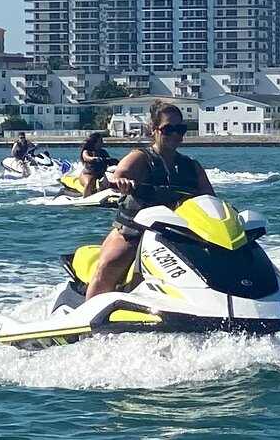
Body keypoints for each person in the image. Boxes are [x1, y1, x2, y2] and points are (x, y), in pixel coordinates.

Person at [85, 101, 215, 300]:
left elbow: (210, 199)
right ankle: (89, 319)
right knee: (110, 265)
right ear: (154, 130)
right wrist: (122, 182)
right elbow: (118, 175)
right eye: (168, 129)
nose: (175, 135)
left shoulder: (191, 166)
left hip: (178, 234)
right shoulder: (140, 158)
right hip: (134, 230)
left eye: (180, 129)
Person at [79, 132, 115, 198]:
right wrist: (94, 158)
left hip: (100, 175)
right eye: (100, 141)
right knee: (89, 181)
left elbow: (108, 160)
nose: (102, 142)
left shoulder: (103, 152)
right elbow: (86, 158)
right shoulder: (87, 151)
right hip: (88, 175)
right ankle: (84, 198)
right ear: (94, 142)